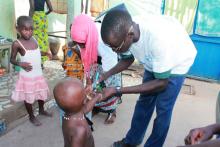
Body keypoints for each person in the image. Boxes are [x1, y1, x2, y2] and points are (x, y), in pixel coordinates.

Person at [100, 9, 197, 147]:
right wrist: (105, 75)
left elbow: (162, 83)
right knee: (144, 102)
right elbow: (127, 59)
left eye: (116, 47)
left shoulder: (157, 39)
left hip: (177, 63)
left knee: (163, 110)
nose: (114, 51)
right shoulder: (124, 31)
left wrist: (117, 90)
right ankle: (132, 140)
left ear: (130, 35)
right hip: (154, 61)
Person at [70, 14, 122, 124]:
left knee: (107, 87)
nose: (81, 47)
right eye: (78, 44)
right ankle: (96, 106)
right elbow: (86, 59)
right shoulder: (81, 36)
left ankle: (112, 111)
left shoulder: (103, 39)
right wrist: (89, 80)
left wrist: (97, 83)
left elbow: (109, 69)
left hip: (110, 65)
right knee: (93, 88)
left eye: (82, 44)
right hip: (95, 61)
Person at [10, 16, 52, 126]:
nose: (29, 32)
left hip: (38, 74)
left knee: (40, 93)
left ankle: (42, 110)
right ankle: (31, 116)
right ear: (18, 29)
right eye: (25, 29)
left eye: (31, 29)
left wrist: (45, 53)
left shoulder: (34, 39)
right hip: (27, 76)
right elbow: (12, 59)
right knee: (28, 97)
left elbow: (36, 52)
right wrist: (20, 64)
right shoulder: (17, 43)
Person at [53, 78, 102, 147]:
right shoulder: (79, 130)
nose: (86, 91)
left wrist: (96, 98)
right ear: (85, 100)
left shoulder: (68, 115)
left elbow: (86, 108)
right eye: (84, 92)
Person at [29, 0, 53, 66]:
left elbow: (32, 8)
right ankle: (41, 62)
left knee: (34, 39)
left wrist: (29, 19)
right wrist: (44, 14)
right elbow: (51, 9)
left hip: (35, 17)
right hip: (43, 17)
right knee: (43, 39)